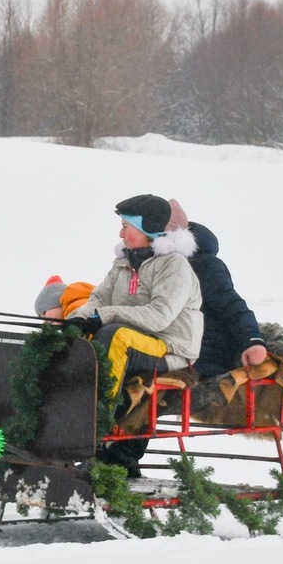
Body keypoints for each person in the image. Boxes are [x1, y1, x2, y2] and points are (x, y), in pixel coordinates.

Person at [66, 194, 204, 476]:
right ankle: (64, 407)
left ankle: (97, 418)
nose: (120, 233)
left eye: (126, 226)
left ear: (148, 229)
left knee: (115, 335)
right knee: (86, 336)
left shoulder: (174, 266)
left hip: (169, 347)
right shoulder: (122, 263)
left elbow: (159, 316)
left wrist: (103, 316)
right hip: (134, 339)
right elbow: (98, 299)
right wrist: (77, 320)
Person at [167, 199, 267, 379]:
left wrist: (252, 341)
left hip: (203, 356)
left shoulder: (205, 266)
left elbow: (232, 307)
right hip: (173, 350)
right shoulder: (152, 268)